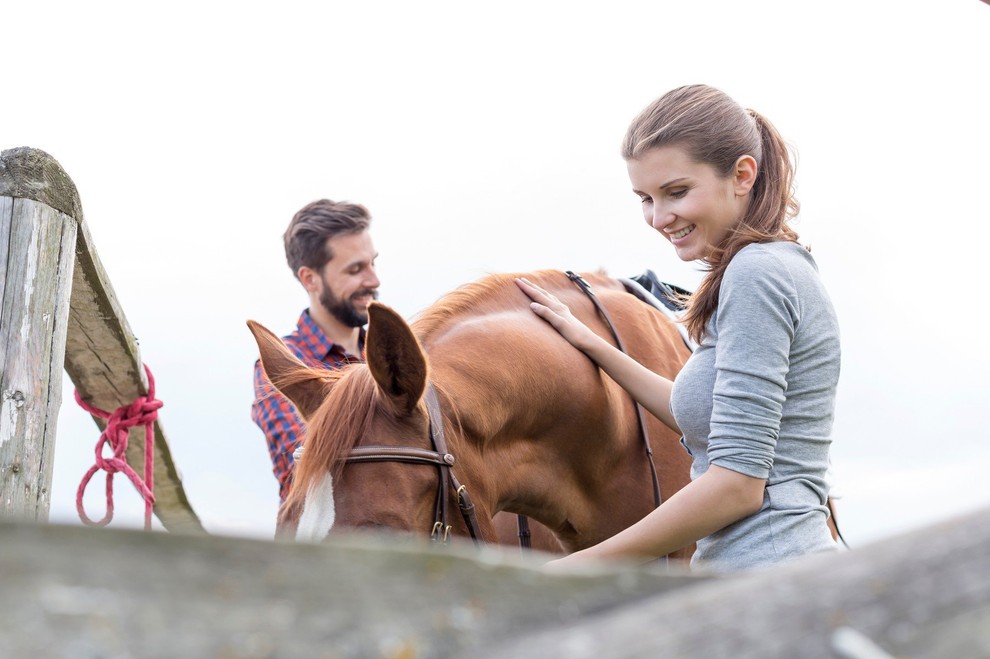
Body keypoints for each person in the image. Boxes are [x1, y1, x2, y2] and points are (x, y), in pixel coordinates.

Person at [516, 84, 841, 573]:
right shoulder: (769, 267)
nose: (658, 217)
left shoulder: (758, 273)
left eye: (677, 192)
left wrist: (571, 568)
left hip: (770, 574)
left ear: (742, 175)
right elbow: (707, 418)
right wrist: (592, 343)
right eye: (645, 198)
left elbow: (736, 484)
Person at [251, 199, 380, 504]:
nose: (374, 280)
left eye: (373, 263)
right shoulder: (284, 362)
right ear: (310, 279)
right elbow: (304, 468)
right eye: (355, 269)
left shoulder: (391, 355)